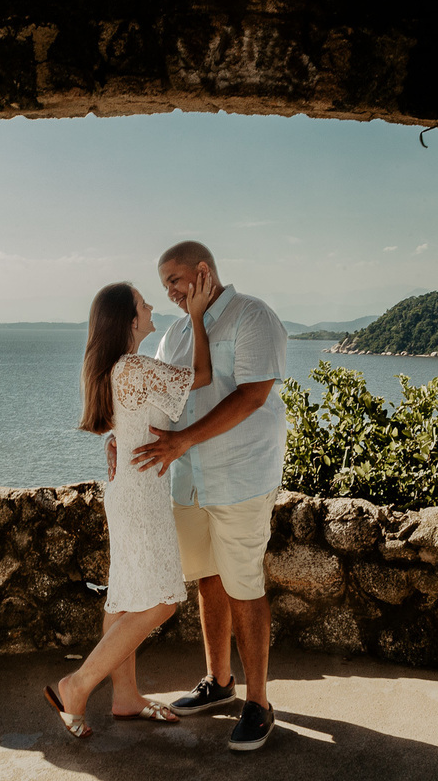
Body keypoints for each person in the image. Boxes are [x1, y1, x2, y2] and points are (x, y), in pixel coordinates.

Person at [121, 240, 288, 751]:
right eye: (164, 284)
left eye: (174, 280)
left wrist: (183, 441)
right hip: (188, 478)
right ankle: (219, 682)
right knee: (207, 579)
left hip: (240, 476)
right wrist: (120, 438)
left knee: (244, 584)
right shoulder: (173, 333)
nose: (168, 291)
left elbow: (253, 394)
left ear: (202, 271)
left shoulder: (251, 316)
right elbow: (161, 398)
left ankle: (259, 703)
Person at [45, 273, 214, 739]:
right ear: (129, 320)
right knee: (161, 599)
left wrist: (119, 442)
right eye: (144, 303)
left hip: (127, 492)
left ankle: (125, 697)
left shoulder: (118, 370)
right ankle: (77, 685)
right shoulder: (135, 368)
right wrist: (197, 318)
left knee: (123, 596)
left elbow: (124, 426)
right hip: (140, 497)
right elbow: (202, 377)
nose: (153, 307)